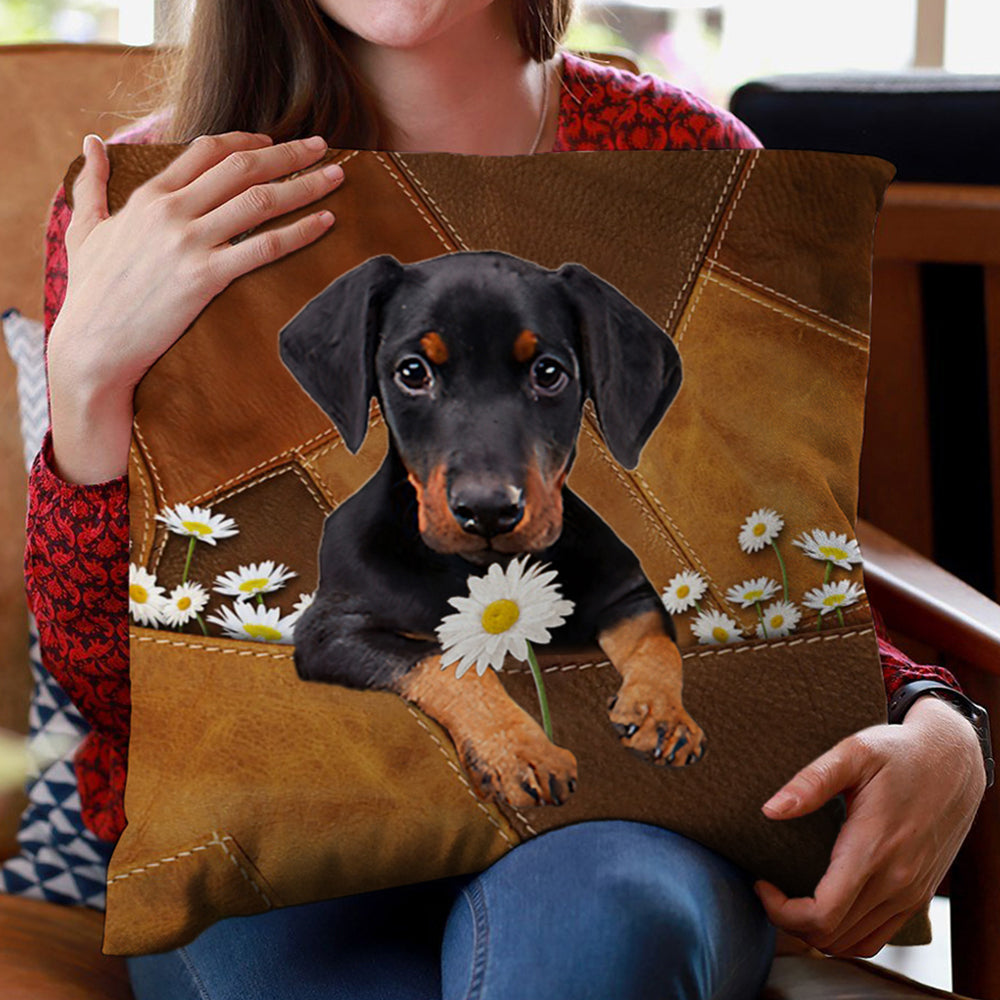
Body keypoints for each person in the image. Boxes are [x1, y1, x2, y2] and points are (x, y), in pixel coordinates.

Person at [24, 1, 988, 997]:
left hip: (616, 824)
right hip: (279, 818)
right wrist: (89, 382)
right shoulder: (159, 203)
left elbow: (755, 558)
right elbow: (107, 682)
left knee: (600, 923)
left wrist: (935, 714)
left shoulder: (688, 168)